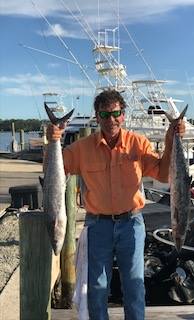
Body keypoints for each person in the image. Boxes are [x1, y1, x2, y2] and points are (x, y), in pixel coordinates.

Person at [47, 89, 185, 320]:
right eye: (104, 114)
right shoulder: (81, 148)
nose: (110, 120)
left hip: (131, 223)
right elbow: (54, 171)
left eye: (115, 113)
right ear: (97, 116)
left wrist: (171, 138)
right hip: (97, 225)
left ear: (123, 115)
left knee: (134, 287)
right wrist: (52, 140)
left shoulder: (138, 143)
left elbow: (163, 174)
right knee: (97, 289)